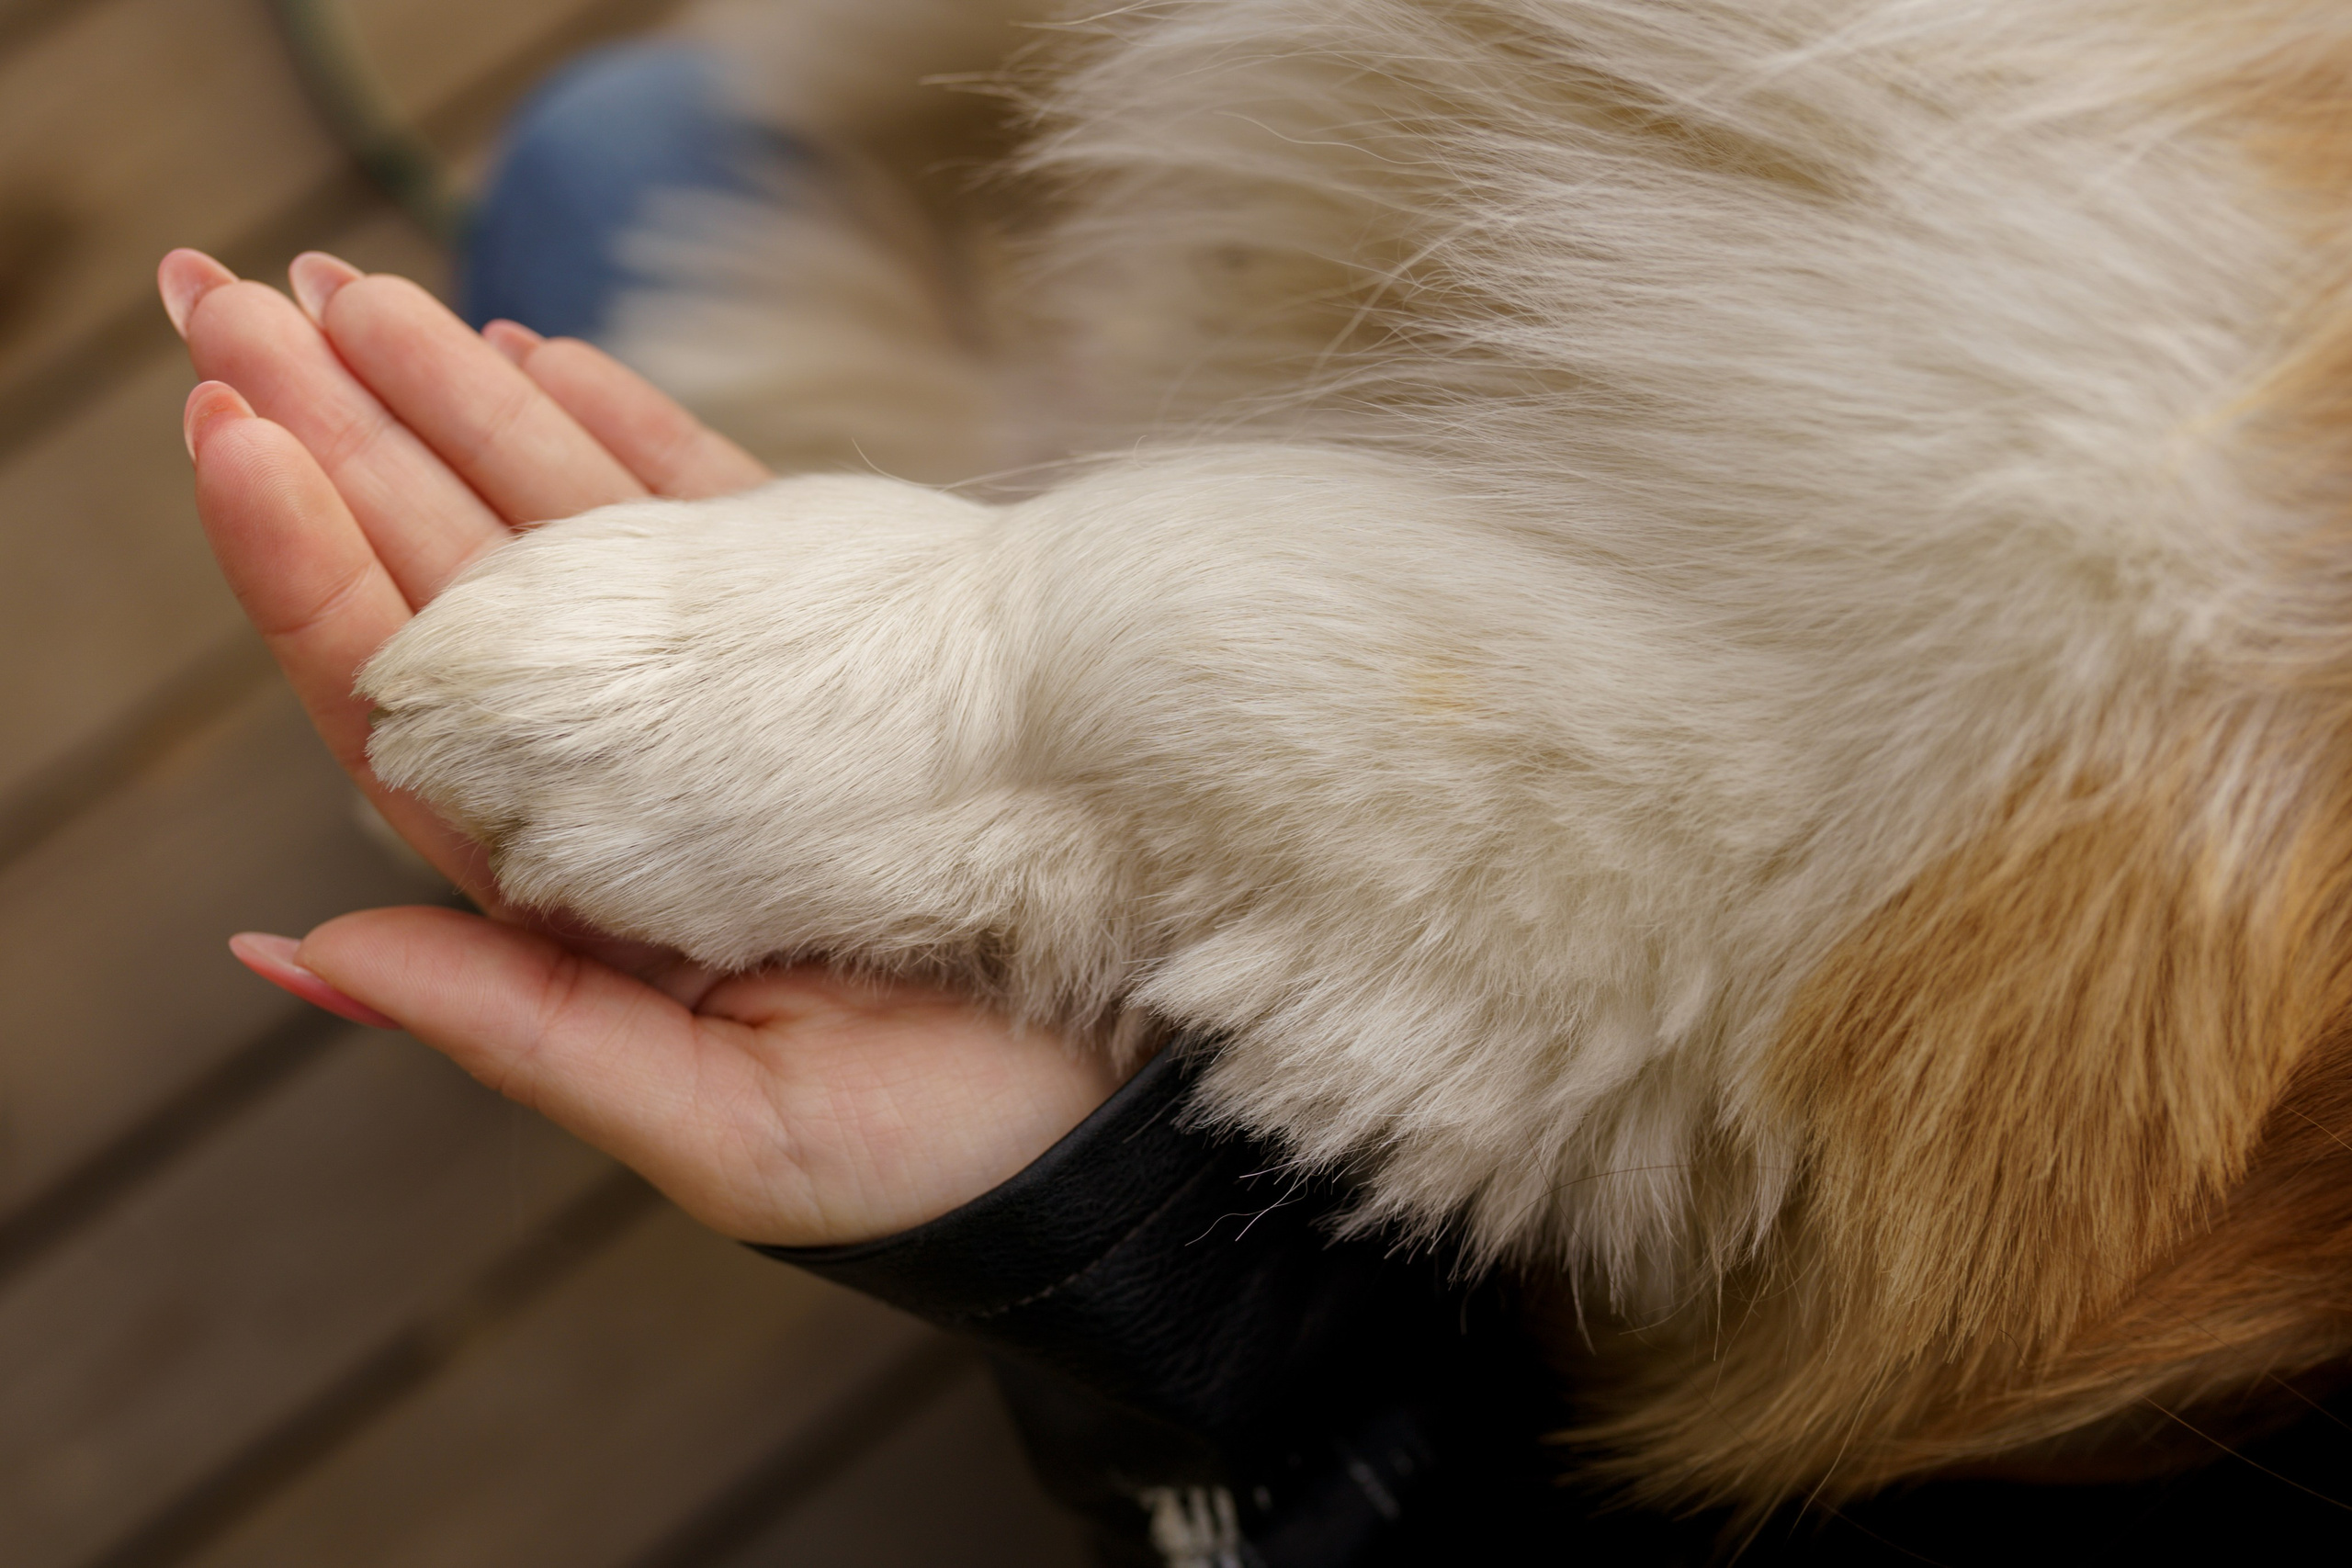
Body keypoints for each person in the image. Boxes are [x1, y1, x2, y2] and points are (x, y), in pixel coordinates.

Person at [157, 40, 2352, 1568]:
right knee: (637, 155)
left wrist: (1139, 1256)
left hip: (1453, 1346)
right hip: (1368, 439)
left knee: (597, 183)